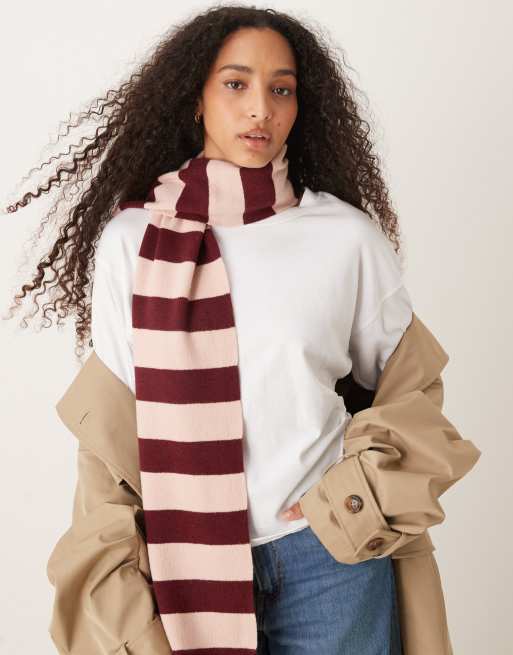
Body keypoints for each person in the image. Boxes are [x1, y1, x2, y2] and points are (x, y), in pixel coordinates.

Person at [5, 5, 481, 654]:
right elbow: (113, 432)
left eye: (281, 89)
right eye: (236, 83)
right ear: (195, 98)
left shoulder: (344, 239)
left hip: (328, 557)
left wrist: (352, 497)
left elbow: (411, 389)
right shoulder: (130, 242)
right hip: (179, 564)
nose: (261, 108)